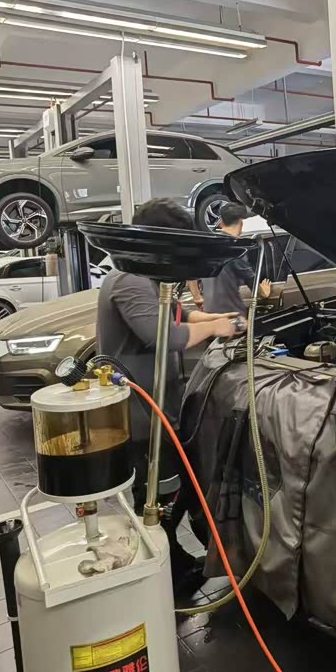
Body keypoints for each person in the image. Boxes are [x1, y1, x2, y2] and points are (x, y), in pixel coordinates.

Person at [96, 198, 242, 591]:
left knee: (174, 489)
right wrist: (216, 330)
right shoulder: (128, 279)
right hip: (141, 416)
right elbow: (166, 336)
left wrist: (217, 318)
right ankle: (164, 578)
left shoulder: (145, 277)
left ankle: (172, 562)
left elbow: (178, 314)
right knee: (158, 496)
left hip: (160, 408)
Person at [201, 202, 272, 316]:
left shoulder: (208, 246)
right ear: (241, 222)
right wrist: (264, 293)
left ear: (221, 223)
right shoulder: (236, 249)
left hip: (209, 315)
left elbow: (191, 274)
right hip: (231, 315)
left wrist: (197, 297)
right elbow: (252, 282)